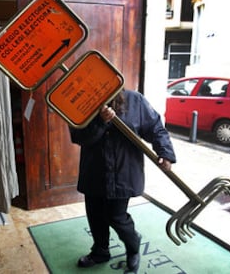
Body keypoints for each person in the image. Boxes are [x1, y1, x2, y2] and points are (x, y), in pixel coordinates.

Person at [69, 89, 176, 272]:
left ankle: (133, 247)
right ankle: (100, 252)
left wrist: (165, 152)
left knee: (116, 216)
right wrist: (100, 122)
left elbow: (156, 128)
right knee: (95, 216)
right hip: (94, 171)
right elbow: (79, 137)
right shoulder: (81, 103)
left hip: (123, 172)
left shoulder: (135, 100)